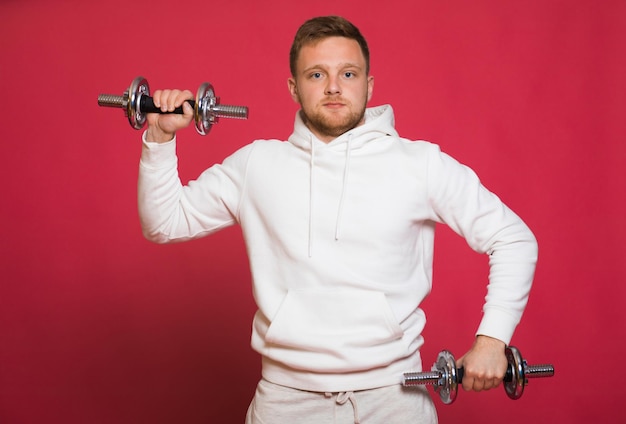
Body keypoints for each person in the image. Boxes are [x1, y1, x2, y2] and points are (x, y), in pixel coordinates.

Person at [137, 15, 538, 424]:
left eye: (348, 73)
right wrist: (160, 137)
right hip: (285, 401)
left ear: (369, 84)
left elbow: (512, 238)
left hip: (394, 398)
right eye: (316, 74)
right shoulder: (257, 165)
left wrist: (493, 339)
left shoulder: (419, 164)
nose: (333, 87)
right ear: (294, 87)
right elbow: (165, 222)